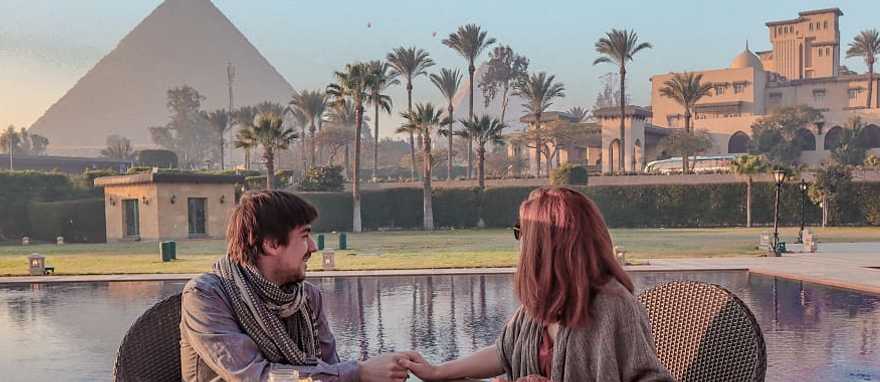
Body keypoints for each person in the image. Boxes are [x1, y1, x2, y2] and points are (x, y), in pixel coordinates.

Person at [402, 187, 674, 382]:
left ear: (547, 245)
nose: (520, 243)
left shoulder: (612, 306)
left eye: (522, 233)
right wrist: (437, 372)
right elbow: (504, 352)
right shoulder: (540, 304)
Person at [180, 190, 415, 382]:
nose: (313, 247)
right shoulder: (206, 296)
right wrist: (360, 372)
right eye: (304, 237)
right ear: (271, 244)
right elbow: (254, 377)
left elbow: (331, 367)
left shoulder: (307, 297)